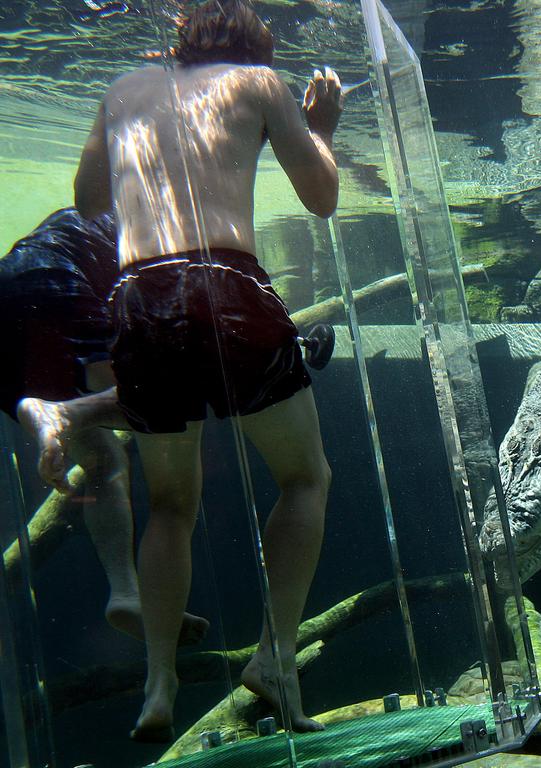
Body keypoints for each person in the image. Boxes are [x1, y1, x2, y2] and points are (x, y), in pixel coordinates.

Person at [73, 0, 339, 742]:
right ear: (257, 40)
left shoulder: (123, 90)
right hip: (227, 288)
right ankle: (275, 657)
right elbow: (322, 198)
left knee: (170, 504)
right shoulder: (258, 81)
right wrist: (319, 132)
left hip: (139, 298)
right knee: (305, 477)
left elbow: (89, 202)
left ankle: (159, 682)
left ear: (181, 36)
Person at [1, 208, 209, 646]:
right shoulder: (158, 223)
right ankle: (65, 413)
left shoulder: (91, 218)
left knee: (102, 459)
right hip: (57, 283)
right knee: (159, 400)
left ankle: (126, 594)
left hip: (9, 298)